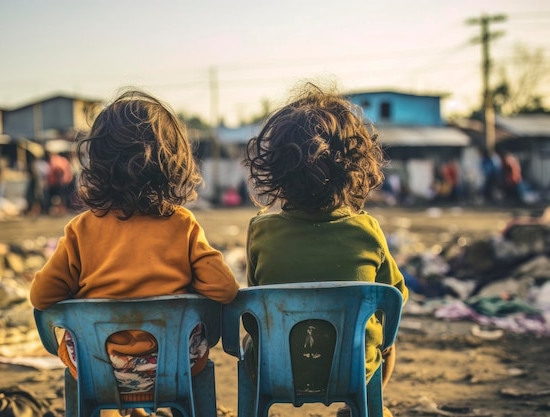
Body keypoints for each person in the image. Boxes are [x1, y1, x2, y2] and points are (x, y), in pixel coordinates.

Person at [29, 89, 240, 417]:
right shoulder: (182, 225)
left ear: (97, 164)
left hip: (99, 367)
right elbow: (226, 289)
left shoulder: (81, 230)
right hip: (176, 366)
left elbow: (41, 297)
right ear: (172, 163)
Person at [242, 83, 408, 417]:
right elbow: (395, 298)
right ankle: (362, 405)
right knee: (386, 344)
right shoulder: (367, 231)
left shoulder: (260, 231)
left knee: (250, 345)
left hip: (275, 370)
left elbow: (252, 311)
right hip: (353, 369)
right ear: (353, 169)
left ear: (277, 172)